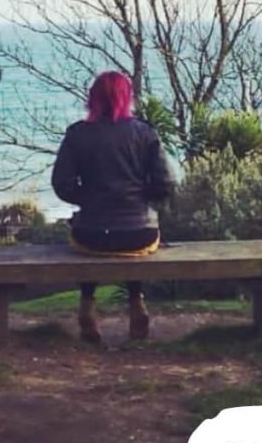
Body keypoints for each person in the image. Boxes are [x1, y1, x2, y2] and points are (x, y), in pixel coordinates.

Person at [51, 71, 174, 343]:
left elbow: (62, 184)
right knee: (130, 244)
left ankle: (86, 302)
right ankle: (135, 300)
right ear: (126, 97)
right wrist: (141, 199)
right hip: (139, 235)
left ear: (93, 98)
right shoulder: (145, 133)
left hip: (91, 236)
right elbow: (165, 184)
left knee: (89, 231)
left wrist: (88, 200)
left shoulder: (77, 134)